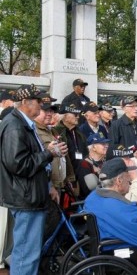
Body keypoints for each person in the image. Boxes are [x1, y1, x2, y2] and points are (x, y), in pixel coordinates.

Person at [0, 84, 68, 275]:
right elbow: (18, 165)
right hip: (26, 198)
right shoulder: (14, 126)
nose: (41, 105)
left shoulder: (21, 124)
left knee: (28, 252)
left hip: (30, 195)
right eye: (38, 101)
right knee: (25, 254)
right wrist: (49, 153)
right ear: (24, 102)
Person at [34, 97, 66, 204]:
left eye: (51, 111)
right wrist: (49, 185)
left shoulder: (52, 130)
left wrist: (69, 179)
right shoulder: (33, 131)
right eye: (45, 110)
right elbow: (36, 160)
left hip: (58, 185)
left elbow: (63, 156)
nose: (49, 114)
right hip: (45, 186)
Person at [53, 103, 88, 190]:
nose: (78, 117)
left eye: (78, 114)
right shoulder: (57, 132)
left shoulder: (79, 132)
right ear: (64, 116)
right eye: (75, 115)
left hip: (81, 174)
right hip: (67, 176)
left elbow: (85, 152)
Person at [75, 133, 110, 199]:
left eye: (107, 143)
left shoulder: (105, 161)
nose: (106, 146)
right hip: (94, 200)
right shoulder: (84, 164)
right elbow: (87, 190)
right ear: (93, 148)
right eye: (103, 144)